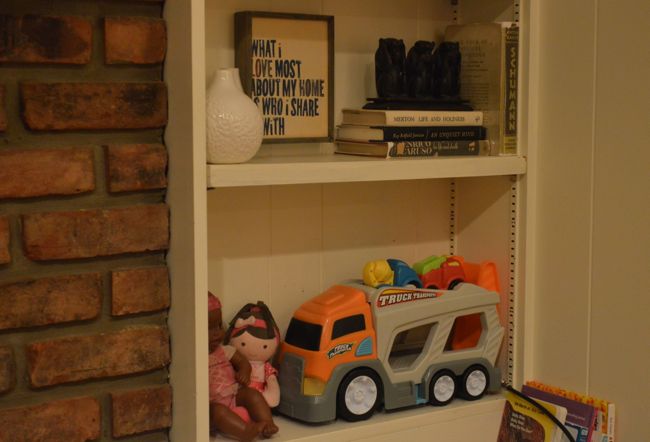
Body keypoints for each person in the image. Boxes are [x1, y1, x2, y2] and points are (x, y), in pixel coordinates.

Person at [208, 293, 278, 441]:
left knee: (252, 394)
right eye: (210, 328)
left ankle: (267, 423)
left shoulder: (224, 350)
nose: (217, 334)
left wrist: (244, 371)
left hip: (234, 395)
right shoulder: (196, 359)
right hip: (212, 406)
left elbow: (242, 362)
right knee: (218, 412)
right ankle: (246, 431)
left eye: (219, 326)